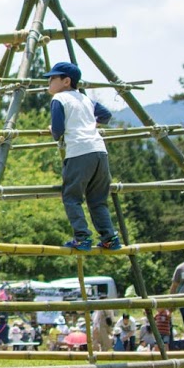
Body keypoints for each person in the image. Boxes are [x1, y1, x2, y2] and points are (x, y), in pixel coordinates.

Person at [43, 62, 120, 251]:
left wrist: (53, 130)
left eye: (53, 78)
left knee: (71, 196)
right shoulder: (85, 99)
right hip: (99, 151)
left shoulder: (59, 99)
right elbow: (106, 115)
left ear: (66, 81)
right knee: (98, 199)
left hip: (79, 152)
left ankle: (82, 237)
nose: (49, 82)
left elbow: (58, 131)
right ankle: (109, 238)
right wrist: (91, 124)